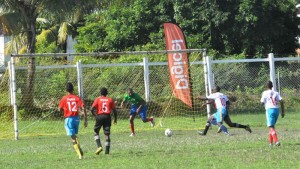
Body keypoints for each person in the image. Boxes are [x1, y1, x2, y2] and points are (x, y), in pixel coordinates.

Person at [58, 82, 87, 159]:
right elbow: (83, 107)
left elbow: (59, 109)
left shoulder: (64, 98)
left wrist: (62, 109)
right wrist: (85, 120)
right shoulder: (77, 98)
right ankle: (79, 148)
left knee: (73, 137)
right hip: (76, 119)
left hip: (69, 119)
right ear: (73, 89)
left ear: (66, 90)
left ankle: (79, 155)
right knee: (74, 135)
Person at [91, 87, 117, 155]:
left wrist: (96, 116)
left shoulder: (97, 99)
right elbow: (114, 111)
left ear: (100, 93)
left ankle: (99, 146)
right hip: (107, 117)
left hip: (100, 116)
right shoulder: (110, 100)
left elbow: (92, 109)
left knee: (96, 132)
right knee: (107, 134)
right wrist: (115, 119)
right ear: (106, 93)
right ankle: (107, 152)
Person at [260, 81, 285, 147]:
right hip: (276, 110)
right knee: (272, 126)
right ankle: (270, 143)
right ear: (272, 86)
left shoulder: (264, 93)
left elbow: (262, 102)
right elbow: (281, 101)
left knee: (271, 127)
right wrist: (283, 111)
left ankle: (276, 141)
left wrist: (263, 103)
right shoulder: (276, 92)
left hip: (269, 110)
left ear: (266, 86)